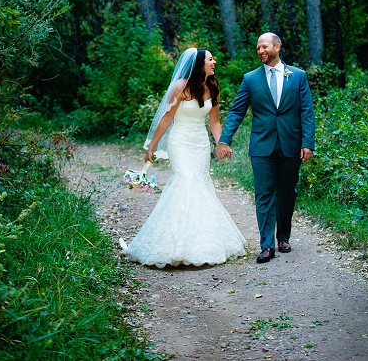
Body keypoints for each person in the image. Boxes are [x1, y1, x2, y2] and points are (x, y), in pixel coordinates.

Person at [120, 48, 246, 267]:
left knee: (200, 185)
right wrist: (151, 146)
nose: (214, 62)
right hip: (180, 142)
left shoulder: (213, 87)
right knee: (185, 182)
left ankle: (199, 244)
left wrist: (221, 143)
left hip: (199, 144)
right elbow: (167, 118)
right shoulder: (180, 87)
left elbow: (214, 123)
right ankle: (173, 246)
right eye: (210, 59)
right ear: (200, 64)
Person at [216, 33, 315, 264]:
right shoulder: (250, 79)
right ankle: (266, 245)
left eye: (264, 47)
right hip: (262, 146)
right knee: (263, 194)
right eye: (258, 47)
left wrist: (307, 142)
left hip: (291, 143)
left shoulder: (298, 76)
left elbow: (306, 112)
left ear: (277, 47)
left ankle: (283, 236)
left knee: (287, 193)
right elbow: (237, 111)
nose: (260, 51)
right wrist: (224, 139)